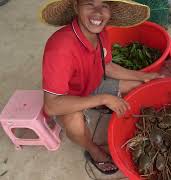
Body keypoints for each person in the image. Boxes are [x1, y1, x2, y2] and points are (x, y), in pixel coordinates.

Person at [40, 0, 163, 175]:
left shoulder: (101, 33)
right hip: (68, 100)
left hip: (93, 85)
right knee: (73, 120)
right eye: (89, 4)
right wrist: (104, 98)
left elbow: (109, 66)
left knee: (139, 88)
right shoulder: (60, 48)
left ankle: (99, 105)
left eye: (104, 5)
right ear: (76, 7)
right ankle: (92, 149)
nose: (97, 12)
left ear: (110, 11)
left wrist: (142, 76)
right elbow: (51, 106)